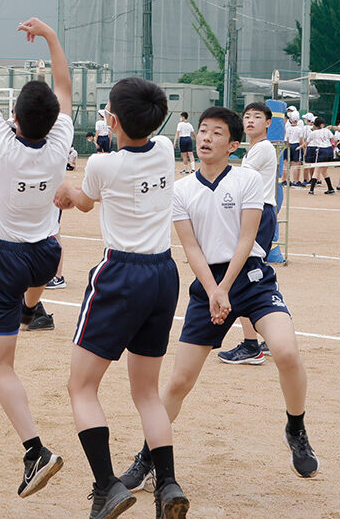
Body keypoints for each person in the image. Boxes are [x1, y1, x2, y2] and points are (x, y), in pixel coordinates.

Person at [129, 105, 318, 483]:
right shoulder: (181, 190)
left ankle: (295, 428)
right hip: (208, 287)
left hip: (250, 279)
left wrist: (226, 289)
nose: (205, 138)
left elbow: (248, 239)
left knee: (286, 350)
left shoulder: (247, 180)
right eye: (202, 131)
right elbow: (192, 248)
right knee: (180, 382)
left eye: (216, 133)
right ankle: (147, 455)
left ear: (233, 144)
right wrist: (214, 292)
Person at [53, 77, 187, 519]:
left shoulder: (103, 165)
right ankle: (167, 484)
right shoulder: (166, 148)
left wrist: (67, 191)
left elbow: (85, 204)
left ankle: (106, 485)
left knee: (81, 387)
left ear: (112, 120)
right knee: (146, 393)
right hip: (163, 275)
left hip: (121, 275)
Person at [0, 17, 74, 500]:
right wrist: (50, 37)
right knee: (37, 283)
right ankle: (32, 309)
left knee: (0, 366)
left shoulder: (0, 144)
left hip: (6, 256)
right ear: (53, 120)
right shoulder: (60, 143)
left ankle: (35, 451)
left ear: (15, 118)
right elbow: (65, 87)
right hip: (47, 257)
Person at [216, 102, 279, 366]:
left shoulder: (263, 148)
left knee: (245, 274)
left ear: (268, 123)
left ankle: (252, 345)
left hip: (259, 212)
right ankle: (271, 335)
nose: (250, 120)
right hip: (258, 211)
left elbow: (240, 181)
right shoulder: (256, 149)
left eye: (257, 117)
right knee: (252, 273)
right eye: (247, 116)